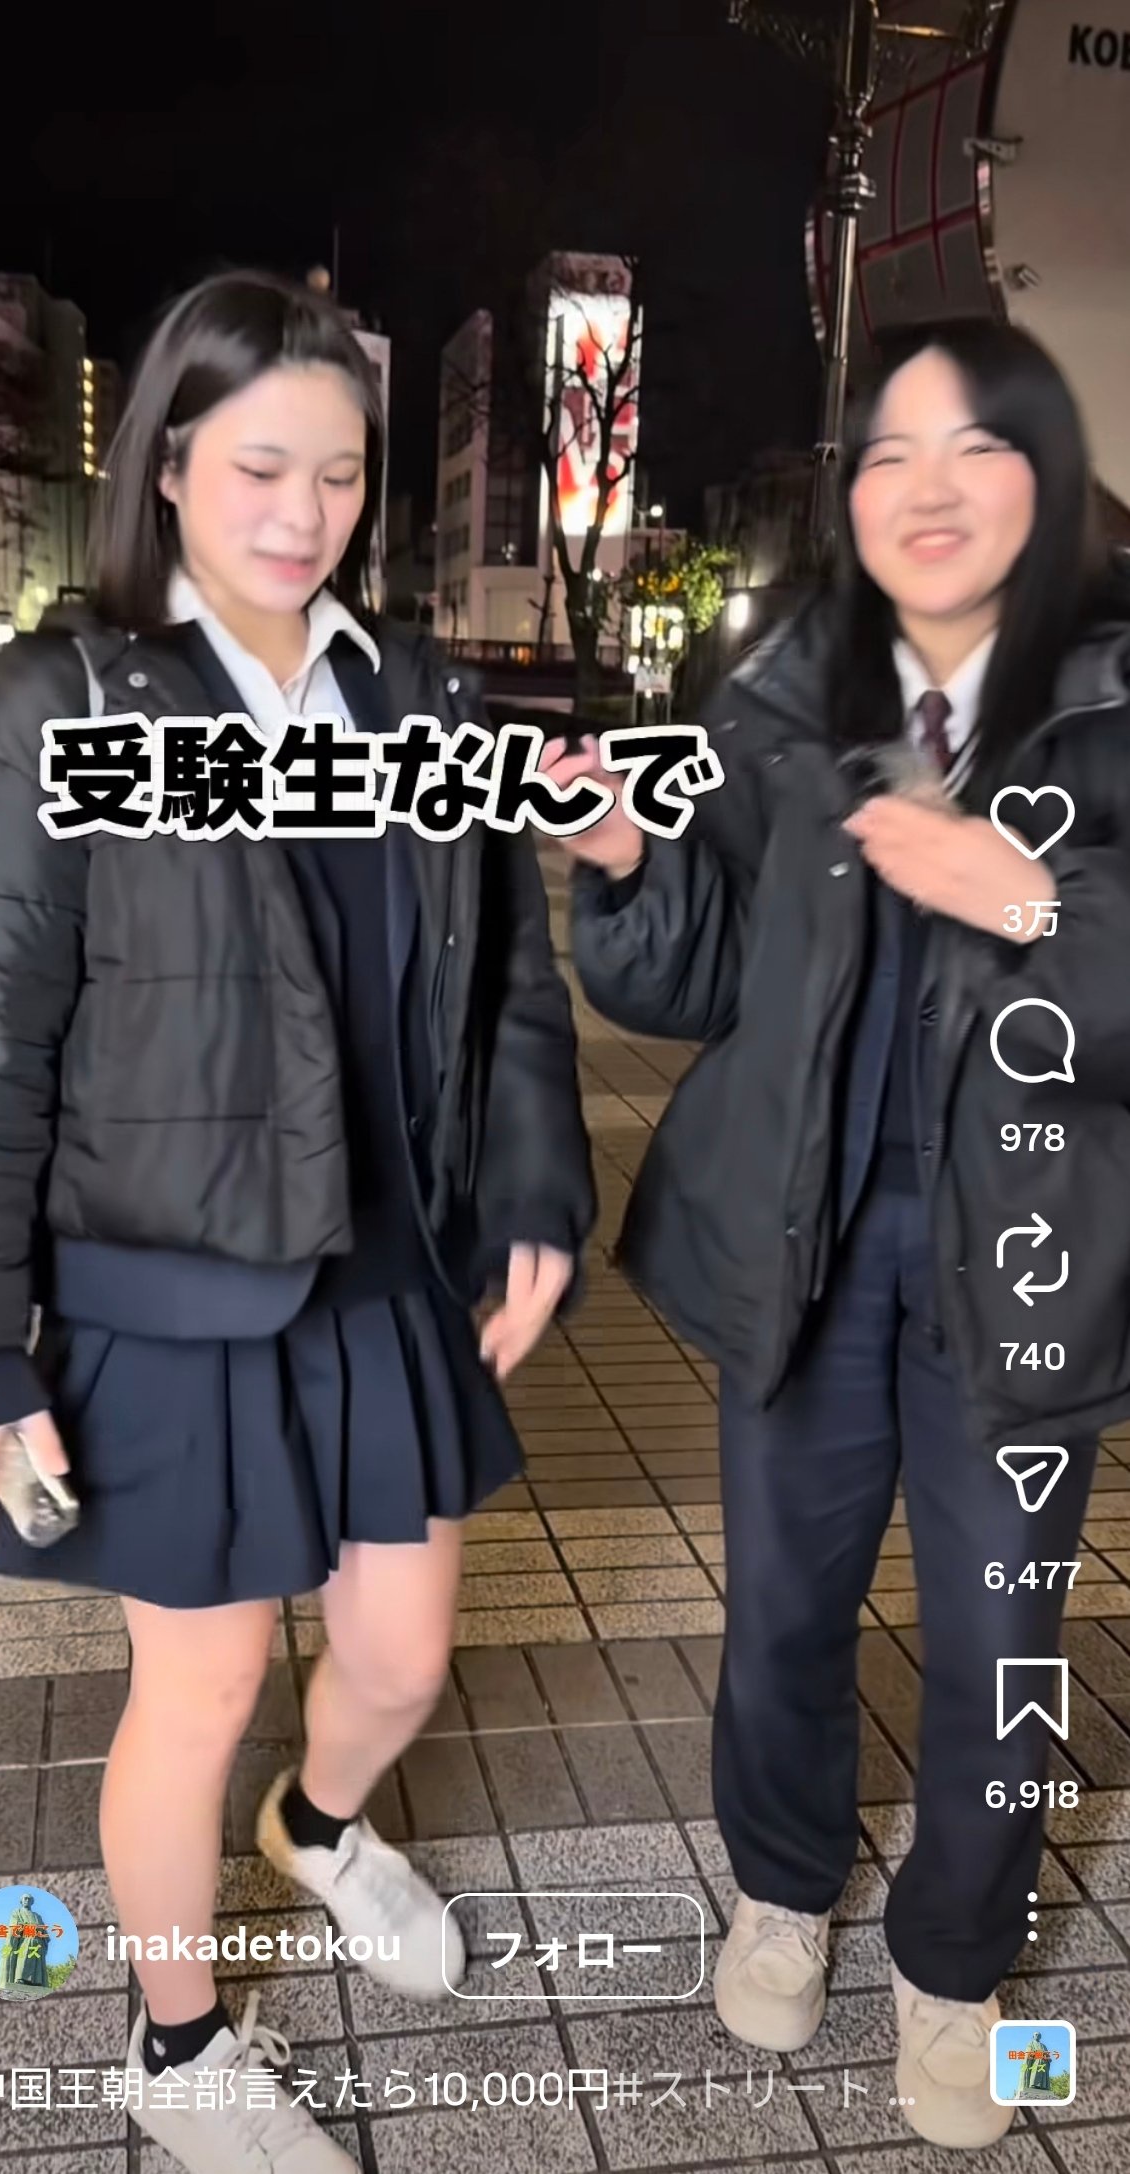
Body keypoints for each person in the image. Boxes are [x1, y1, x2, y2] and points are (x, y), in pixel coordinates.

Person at [0, 268, 595, 2174]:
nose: (306, 514)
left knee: (399, 1659)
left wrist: (536, 1185)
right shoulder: (67, 703)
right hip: (167, 1288)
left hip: (386, 1276)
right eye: (260, 467)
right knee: (201, 1680)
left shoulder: (419, 698)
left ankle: (322, 1828)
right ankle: (179, 2038)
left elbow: (507, 982)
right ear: (169, 465)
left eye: (342, 474)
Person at [548, 319, 1130, 2153]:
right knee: (787, 1610)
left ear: (1049, 472)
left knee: (1001, 1629)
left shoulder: (1116, 694)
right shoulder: (787, 691)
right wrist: (627, 871)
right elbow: (700, 974)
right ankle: (782, 1885)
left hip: (1025, 1258)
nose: (925, 491)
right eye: (887, 454)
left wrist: (1035, 903)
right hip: (803, 1245)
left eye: (974, 449)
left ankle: (954, 1965)